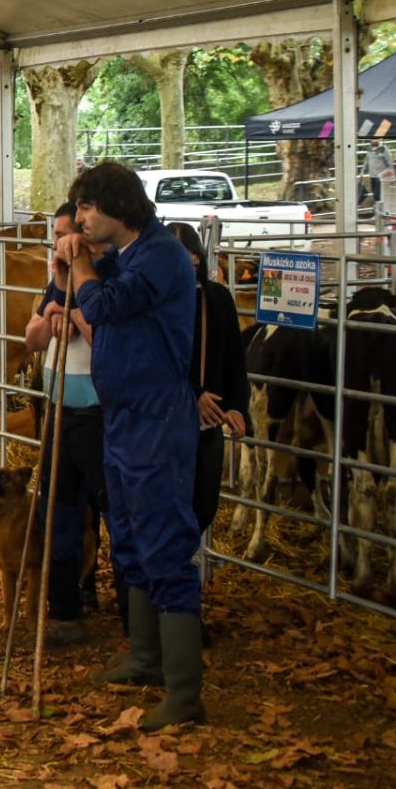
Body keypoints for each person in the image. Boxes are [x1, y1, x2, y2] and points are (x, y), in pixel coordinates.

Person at [58, 162, 203, 729]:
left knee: (163, 535)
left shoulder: (161, 255)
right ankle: (146, 657)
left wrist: (84, 264)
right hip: (122, 414)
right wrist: (75, 260)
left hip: (158, 415)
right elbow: (78, 292)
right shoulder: (126, 256)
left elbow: (102, 306)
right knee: (132, 535)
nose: (81, 219)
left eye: (88, 208)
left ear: (118, 206)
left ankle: (185, 692)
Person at [23, 204, 109, 647]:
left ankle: (135, 611)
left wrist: (75, 315)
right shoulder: (54, 285)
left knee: (113, 510)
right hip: (58, 409)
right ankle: (64, 609)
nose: (57, 245)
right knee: (57, 510)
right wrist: (55, 305)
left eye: (64, 236)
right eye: (54, 236)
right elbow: (31, 339)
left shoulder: (104, 284)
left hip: (99, 415)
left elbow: (106, 339)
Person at [168, 223, 249, 562]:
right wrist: (193, 394)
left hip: (209, 420)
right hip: (168, 421)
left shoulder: (216, 299)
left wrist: (237, 406)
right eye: (178, 259)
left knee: (204, 504)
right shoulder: (156, 303)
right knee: (171, 503)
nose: (189, 265)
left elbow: (233, 357)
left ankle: (180, 570)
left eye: (192, 259)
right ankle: (173, 583)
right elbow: (156, 362)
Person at [363, 140, 392, 205]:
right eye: (372, 139)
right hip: (372, 175)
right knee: (375, 194)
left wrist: (390, 173)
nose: (374, 140)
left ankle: (380, 211)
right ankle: (377, 210)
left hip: (381, 176)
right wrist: (363, 171)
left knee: (378, 194)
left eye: (376, 139)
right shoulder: (370, 149)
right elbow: (366, 161)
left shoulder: (383, 149)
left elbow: (389, 162)